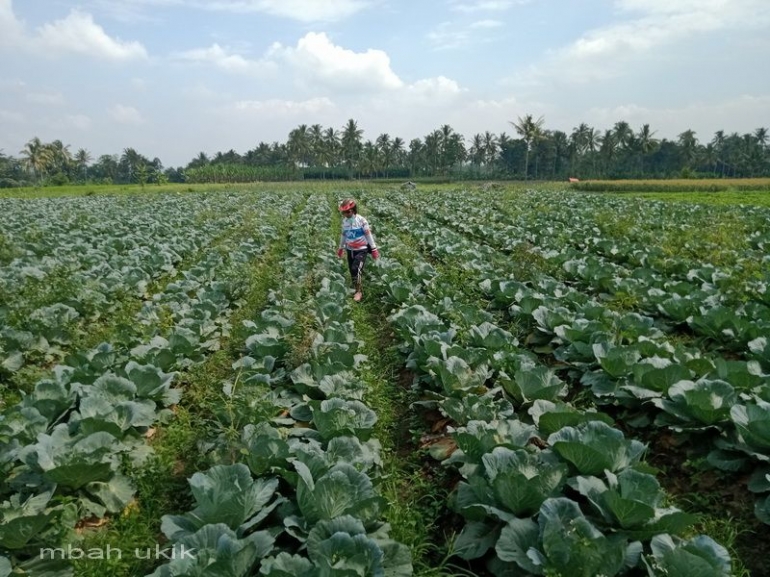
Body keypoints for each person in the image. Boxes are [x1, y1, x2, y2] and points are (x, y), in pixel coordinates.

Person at [336, 198, 380, 301]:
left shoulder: (362, 221)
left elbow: (368, 235)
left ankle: (359, 291)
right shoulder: (345, 222)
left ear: (354, 210)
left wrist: (374, 249)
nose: (346, 214)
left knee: (356, 269)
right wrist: (340, 248)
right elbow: (343, 236)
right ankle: (356, 286)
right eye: (344, 212)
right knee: (352, 270)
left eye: (348, 211)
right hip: (350, 250)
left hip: (361, 250)